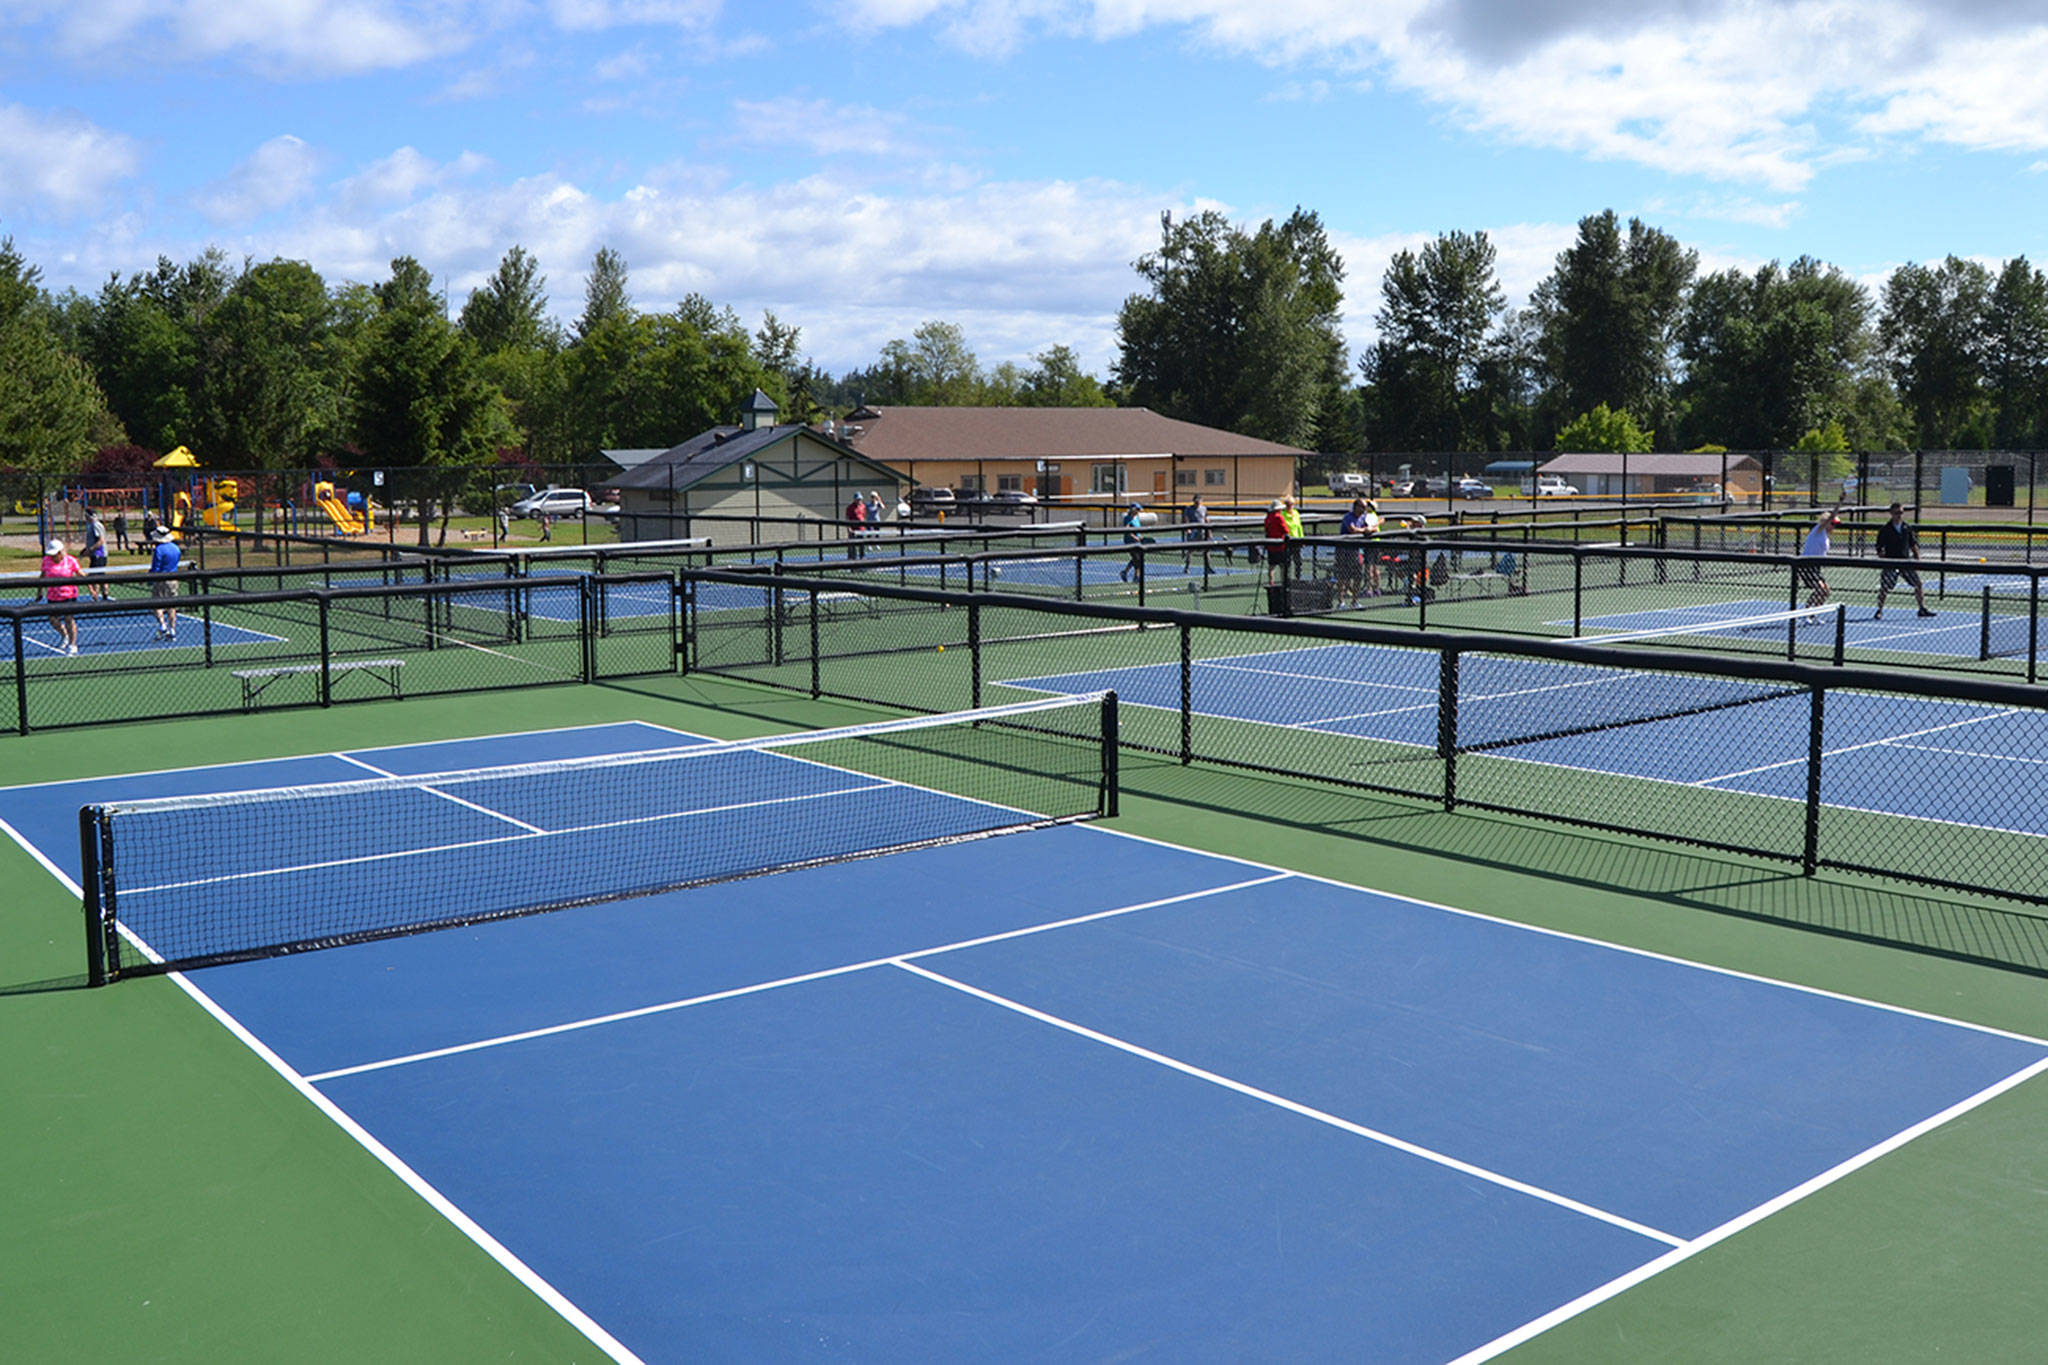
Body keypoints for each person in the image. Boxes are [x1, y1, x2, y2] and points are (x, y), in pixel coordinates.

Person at [1873, 502, 1937, 620]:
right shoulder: (1885, 529)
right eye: (1897, 513)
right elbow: (1879, 547)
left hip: (1906, 562)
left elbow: (1913, 544)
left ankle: (1921, 608)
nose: (1899, 515)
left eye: (1901, 513)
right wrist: (1883, 559)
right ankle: (1879, 610)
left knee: (1918, 584)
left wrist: (1917, 558)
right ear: (1891, 513)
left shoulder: (1906, 528)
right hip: (1891, 562)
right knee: (1885, 587)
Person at [41, 539, 82, 655]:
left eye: (55, 554)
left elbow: (80, 574)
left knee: (69, 619)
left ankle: (73, 644)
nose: (53, 556)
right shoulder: (46, 561)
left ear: (60, 552)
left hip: (68, 594)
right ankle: (64, 634)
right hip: (53, 595)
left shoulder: (71, 560)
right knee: (52, 619)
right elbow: (43, 575)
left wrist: (92, 587)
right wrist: (39, 591)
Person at [1799, 510, 1840, 611]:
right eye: (1833, 524)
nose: (1834, 527)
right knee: (1820, 589)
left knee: (1826, 591)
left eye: (1835, 525)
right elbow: (1831, 516)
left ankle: (1813, 613)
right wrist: (1841, 501)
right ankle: (1807, 611)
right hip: (1806, 564)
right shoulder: (1818, 530)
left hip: (1815, 566)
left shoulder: (1825, 537)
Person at [147, 526, 182, 640]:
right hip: (173, 579)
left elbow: (156, 567)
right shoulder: (176, 548)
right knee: (171, 605)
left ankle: (163, 625)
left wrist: (150, 579)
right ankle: (172, 629)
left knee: (156, 603)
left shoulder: (159, 550)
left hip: (161, 579)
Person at [81, 509, 110, 600]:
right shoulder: (91, 526)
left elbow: (101, 540)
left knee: (94, 576)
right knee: (100, 575)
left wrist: (90, 550)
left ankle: (97, 595)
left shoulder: (96, 525)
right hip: (95, 555)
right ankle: (102, 595)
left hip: (99, 555)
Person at [1261, 499, 1288, 582]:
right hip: (1280, 545)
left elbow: (1266, 529)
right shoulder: (1279, 517)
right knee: (1283, 565)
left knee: (1271, 565)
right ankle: (1283, 582)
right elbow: (1285, 530)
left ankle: (1271, 581)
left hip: (1270, 545)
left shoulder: (1268, 517)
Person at [1119, 502, 1146, 583]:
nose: (1138, 511)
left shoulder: (1137, 518)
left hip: (1137, 542)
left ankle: (1125, 572)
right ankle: (1136, 576)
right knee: (1137, 559)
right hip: (1129, 542)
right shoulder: (1127, 518)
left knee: (1137, 559)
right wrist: (1134, 537)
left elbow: (1138, 530)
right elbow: (1127, 530)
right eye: (1137, 509)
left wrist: (1140, 537)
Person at [845, 493, 867, 558]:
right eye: (858, 499)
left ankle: (862, 558)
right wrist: (849, 528)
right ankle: (852, 558)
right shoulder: (850, 507)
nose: (859, 501)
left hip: (861, 529)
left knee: (862, 545)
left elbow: (863, 516)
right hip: (853, 529)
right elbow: (847, 518)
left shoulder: (863, 506)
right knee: (852, 545)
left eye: (860, 499)